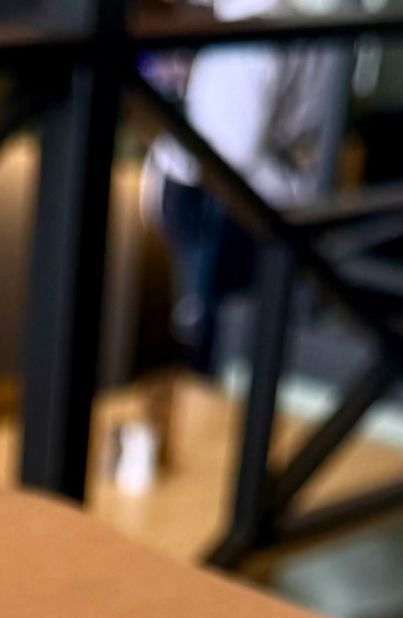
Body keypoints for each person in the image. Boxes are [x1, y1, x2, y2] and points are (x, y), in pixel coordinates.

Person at [143, 0, 335, 378]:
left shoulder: (248, 33)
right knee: (233, 346)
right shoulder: (294, 23)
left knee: (212, 348)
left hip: (223, 206)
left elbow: (228, 153)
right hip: (256, 202)